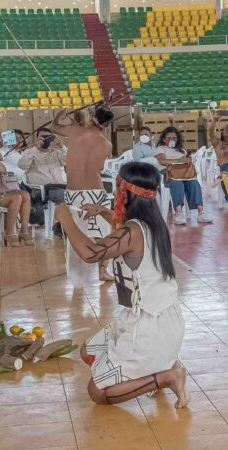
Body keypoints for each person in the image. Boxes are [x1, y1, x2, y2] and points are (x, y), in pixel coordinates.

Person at [58, 162, 189, 408]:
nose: (115, 191)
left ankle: (166, 377)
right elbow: (122, 231)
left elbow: (91, 253)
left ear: (126, 193)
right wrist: (102, 211)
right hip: (155, 319)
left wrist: (66, 220)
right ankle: (163, 365)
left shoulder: (132, 231)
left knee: (98, 392)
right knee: (88, 352)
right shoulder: (150, 223)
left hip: (151, 326)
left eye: (117, 186)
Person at [51, 105, 115, 286]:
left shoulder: (75, 131)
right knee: (102, 233)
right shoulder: (107, 144)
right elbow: (99, 167)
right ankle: (103, 270)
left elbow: (54, 127)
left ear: (91, 118)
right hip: (96, 192)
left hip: (74, 193)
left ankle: (77, 273)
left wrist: (60, 114)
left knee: (75, 232)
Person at [154, 127, 212, 226]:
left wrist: (188, 160)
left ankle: (201, 213)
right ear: (164, 139)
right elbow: (162, 161)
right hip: (168, 173)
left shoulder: (182, 150)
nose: (172, 140)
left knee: (194, 183)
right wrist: (178, 161)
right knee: (178, 184)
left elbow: (187, 163)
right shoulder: (161, 148)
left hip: (184, 174)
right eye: (169, 138)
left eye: (174, 138)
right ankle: (178, 214)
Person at [18, 128, 67, 227]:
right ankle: (62, 225)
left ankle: (65, 224)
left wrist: (62, 147)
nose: (45, 139)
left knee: (75, 194)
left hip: (59, 186)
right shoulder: (29, 152)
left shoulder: (56, 152)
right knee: (66, 195)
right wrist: (36, 148)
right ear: (37, 139)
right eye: (42, 137)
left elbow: (70, 160)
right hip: (41, 190)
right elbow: (22, 165)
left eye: (47, 137)